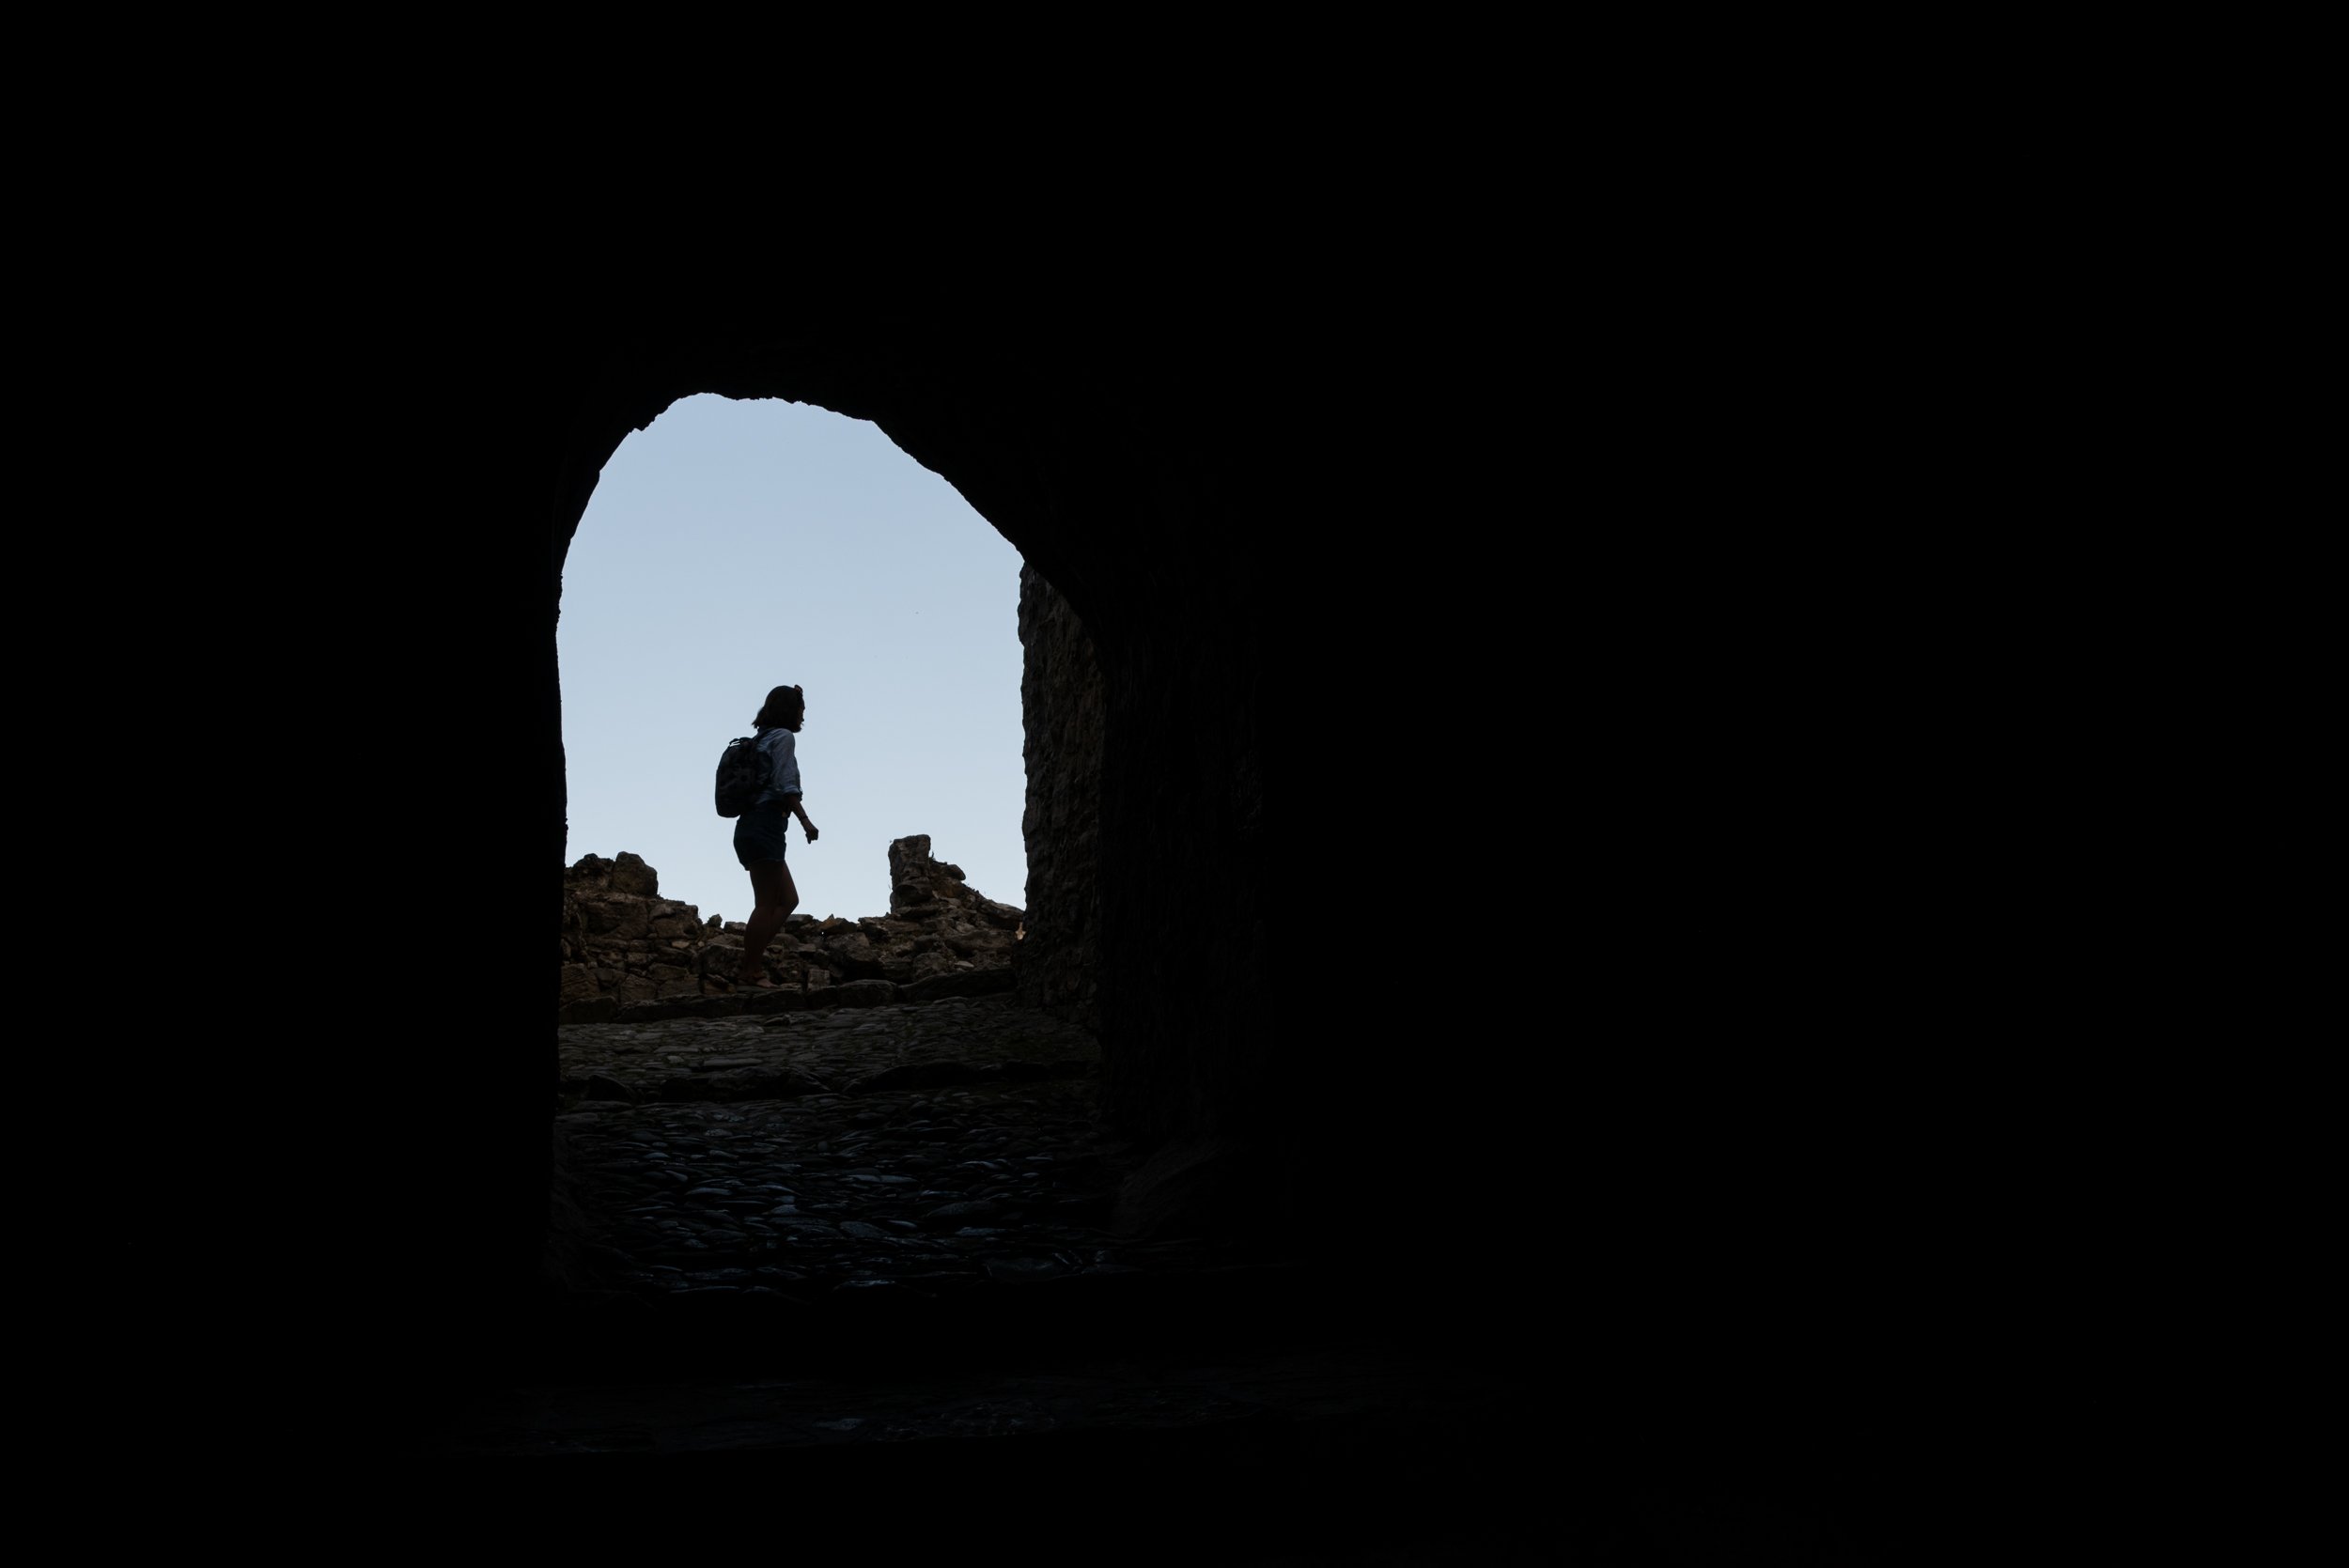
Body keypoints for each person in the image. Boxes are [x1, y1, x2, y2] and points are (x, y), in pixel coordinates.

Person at [730, 683, 818, 988]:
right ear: (790, 710)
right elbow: (785, 783)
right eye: (801, 708)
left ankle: (750, 963)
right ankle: (750, 972)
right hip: (765, 824)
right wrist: (806, 822)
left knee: (788, 899)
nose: (803, 714)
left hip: (752, 827)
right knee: (766, 903)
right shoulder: (782, 737)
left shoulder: (760, 740)